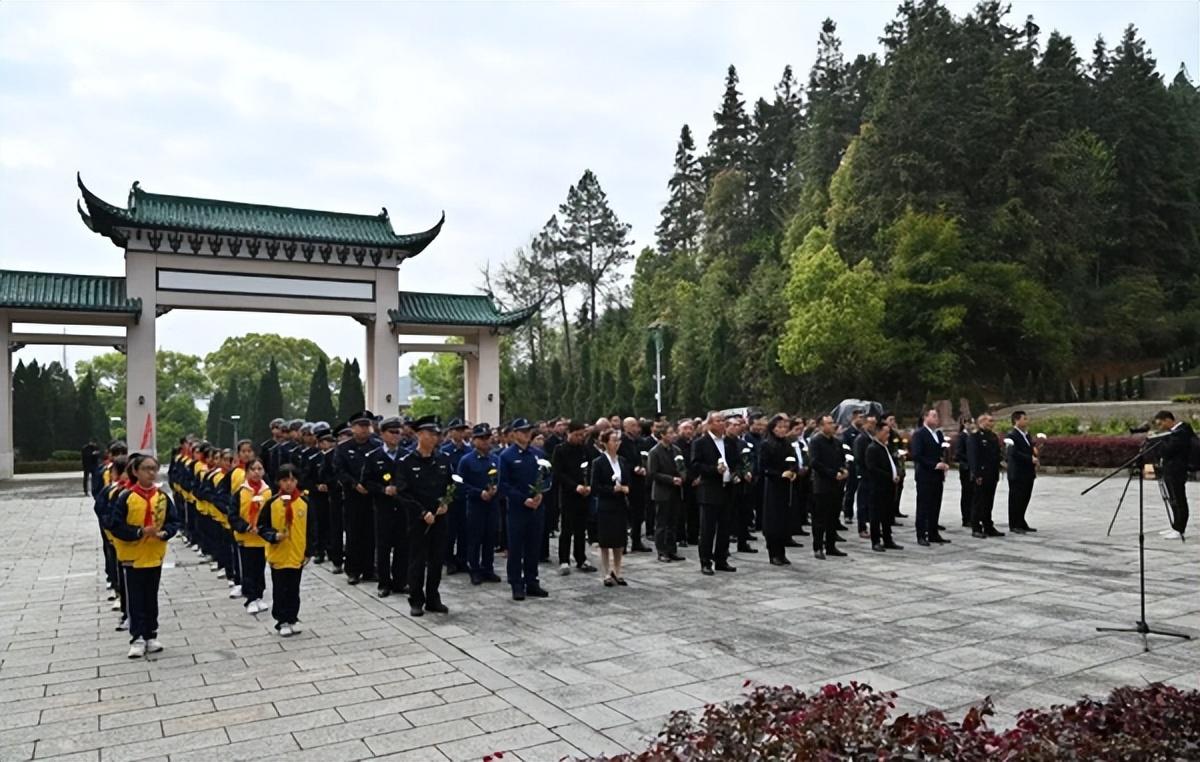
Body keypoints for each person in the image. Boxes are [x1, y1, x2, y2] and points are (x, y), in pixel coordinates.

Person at [104, 453, 180, 658]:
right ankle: (137, 637)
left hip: (154, 554)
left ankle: (151, 634)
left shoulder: (162, 497)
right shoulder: (126, 497)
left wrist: (166, 533)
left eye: (154, 468)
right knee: (135, 598)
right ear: (135, 472)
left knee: (151, 597)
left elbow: (174, 522)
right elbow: (115, 525)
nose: (151, 472)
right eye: (146, 468)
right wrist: (138, 532)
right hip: (132, 556)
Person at [257, 464, 315, 637]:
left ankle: (293, 617)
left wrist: (309, 551)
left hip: (297, 553)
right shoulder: (272, 503)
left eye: (292, 480)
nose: (289, 484)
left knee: (294, 588)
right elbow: (262, 526)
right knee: (280, 588)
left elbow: (312, 529)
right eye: (284, 480)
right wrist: (273, 536)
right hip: (279, 554)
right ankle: (281, 619)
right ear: (278, 482)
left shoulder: (304, 503)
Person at [498, 418, 552, 601]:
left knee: (533, 546)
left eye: (529, 431)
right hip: (517, 509)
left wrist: (541, 493)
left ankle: (532, 581)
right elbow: (503, 485)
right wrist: (523, 499)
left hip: (536, 508)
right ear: (514, 434)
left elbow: (546, 477)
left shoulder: (537, 454)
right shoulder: (506, 456)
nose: (527, 434)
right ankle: (516, 583)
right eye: (522, 431)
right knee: (516, 547)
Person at [690, 411, 743, 575]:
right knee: (708, 528)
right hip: (710, 489)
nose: (721, 423)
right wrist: (714, 470)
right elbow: (695, 464)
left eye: (723, 420)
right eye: (718, 421)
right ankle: (705, 561)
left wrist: (736, 474)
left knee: (725, 526)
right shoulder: (701, 443)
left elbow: (737, 462)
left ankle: (721, 559)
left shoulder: (729, 442)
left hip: (727, 488)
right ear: (710, 424)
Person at [362, 416, 409, 597]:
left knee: (402, 546)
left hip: (403, 506)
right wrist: (382, 489)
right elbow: (366, 481)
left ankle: (400, 581)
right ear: (382, 434)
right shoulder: (373, 457)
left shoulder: (406, 455)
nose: (396, 436)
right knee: (383, 546)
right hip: (383, 507)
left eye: (398, 432)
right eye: (392, 432)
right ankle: (384, 583)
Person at [334, 410, 378, 585]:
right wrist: (354, 484)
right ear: (352, 428)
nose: (364, 429)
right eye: (361, 426)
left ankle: (369, 569)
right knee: (353, 534)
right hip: (352, 496)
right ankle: (353, 570)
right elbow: (339, 471)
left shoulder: (375, 446)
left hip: (372, 496)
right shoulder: (343, 448)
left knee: (370, 534)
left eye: (367, 425)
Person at [458, 423, 503, 585]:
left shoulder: (495, 459)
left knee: (490, 537)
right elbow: (460, 484)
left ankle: (488, 568)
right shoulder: (467, 460)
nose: (485, 441)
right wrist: (479, 492)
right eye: (481, 438)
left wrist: (496, 489)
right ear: (474, 440)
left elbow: (500, 480)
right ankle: (474, 569)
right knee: (475, 538)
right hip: (475, 504)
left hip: (492, 504)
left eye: (487, 438)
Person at [551, 421, 597, 575]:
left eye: (582, 435)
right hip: (568, 494)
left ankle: (581, 558)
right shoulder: (560, 450)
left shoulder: (585, 450)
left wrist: (589, 485)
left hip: (584, 494)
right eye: (576, 435)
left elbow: (591, 467)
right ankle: (564, 560)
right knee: (566, 529)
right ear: (568, 433)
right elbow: (558, 473)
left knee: (580, 529)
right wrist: (574, 486)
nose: (580, 438)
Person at [229, 457, 271, 614]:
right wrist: (246, 527)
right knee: (248, 569)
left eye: (260, 469)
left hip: (261, 539)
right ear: (246, 472)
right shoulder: (240, 492)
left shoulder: (268, 492)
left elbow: (271, 514)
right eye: (253, 469)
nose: (257, 472)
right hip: (246, 539)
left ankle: (259, 596)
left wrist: (263, 529)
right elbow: (232, 516)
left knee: (260, 569)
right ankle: (251, 598)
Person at [591, 429, 630, 586]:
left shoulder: (623, 461)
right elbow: (595, 487)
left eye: (618, 440)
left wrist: (626, 488)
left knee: (619, 541)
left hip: (620, 504)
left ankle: (618, 570)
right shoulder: (598, 462)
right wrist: (611, 489)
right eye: (613, 440)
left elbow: (628, 480)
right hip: (606, 505)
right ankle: (606, 572)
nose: (617, 443)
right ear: (605, 443)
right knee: (606, 541)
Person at [807, 415, 848, 559]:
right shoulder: (816, 441)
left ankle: (831, 546)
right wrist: (832, 474)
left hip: (836, 485)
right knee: (820, 518)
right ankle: (818, 547)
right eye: (829, 423)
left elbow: (842, 459)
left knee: (833, 517)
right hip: (822, 485)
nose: (833, 425)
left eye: (833, 423)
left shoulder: (836, 442)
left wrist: (843, 470)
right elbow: (814, 462)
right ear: (820, 426)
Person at [759, 414, 798, 565]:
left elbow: (793, 460)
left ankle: (782, 552)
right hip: (773, 485)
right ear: (773, 428)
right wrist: (780, 474)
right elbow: (764, 467)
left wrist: (793, 471)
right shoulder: (766, 444)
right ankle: (773, 552)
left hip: (786, 485)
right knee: (773, 520)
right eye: (779, 427)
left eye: (784, 427)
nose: (782, 430)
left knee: (784, 520)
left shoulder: (787, 443)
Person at [647, 423, 686, 563]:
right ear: (662, 435)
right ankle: (661, 551)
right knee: (662, 523)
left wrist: (682, 476)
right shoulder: (655, 451)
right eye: (669, 433)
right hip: (662, 491)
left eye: (673, 432)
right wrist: (671, 479)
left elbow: (681, 467)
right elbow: (653, 473)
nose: (673, 435)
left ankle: (671, 549)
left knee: (673, 522)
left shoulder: (676, 450)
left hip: (676, 491)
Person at [911, 408, 951, 546]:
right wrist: (934, 464)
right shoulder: (919, 434)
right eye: (933, 416)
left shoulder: (938, 434)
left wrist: (944, 462)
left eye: (937, 416)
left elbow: (940, 452)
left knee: (935, 504)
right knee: (923, 505)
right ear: (925, 417)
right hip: (925, 475)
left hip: (937, 476)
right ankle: (921, 534)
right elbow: (917, 455)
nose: (936, 418)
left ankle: (933, 532)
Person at [1153, 410, 1194, 540]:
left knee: (1179, 499)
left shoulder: (1181, 432)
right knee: (1173, 499)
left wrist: (1157, 441)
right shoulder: (1174, 433)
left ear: (1167, 420)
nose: (1160, 427)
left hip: (1177, 470)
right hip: (1169, 470)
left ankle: (1180, 528)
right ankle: (1175, 526)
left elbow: (1168, 450)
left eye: (1161, 424)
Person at [864, 422, 903, 552]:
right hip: (878, 487)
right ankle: (875, 541)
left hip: (888, 487)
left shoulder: (886, 447)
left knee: (887, 514)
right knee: (876, 515)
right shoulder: (872, 448)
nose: (888, 435)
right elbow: (872, 468)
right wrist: (889, 476)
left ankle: (888, 539)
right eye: (886, 432)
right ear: (879, 432)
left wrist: (896, 473)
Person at [439, 419, 471, 575]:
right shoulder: (445, 451)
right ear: (451, 432)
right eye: (456, 430)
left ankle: (462, 559)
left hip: (465, 495)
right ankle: (449, 560)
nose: (459, 433)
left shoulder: (469, 450)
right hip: (450, 496)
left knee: (464, 530)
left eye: (462, 430)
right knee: (450, 531)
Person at [616, 417, 652, 553]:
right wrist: (633, 468)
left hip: (639, 482)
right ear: (625, 427)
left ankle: (636, 540)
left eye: (636, 425)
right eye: (632, 425)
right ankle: (623, 543)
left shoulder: (640, 442)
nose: (636, 428)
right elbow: (621, 460)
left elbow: (643, 457)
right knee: (625, 513)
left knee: (639, 512)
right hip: (627, 480)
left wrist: (643, 467)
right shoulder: (621, 442)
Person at [967, 413, 1004, 539]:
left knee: (989, 501)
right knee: (978, 501)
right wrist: (976, 474)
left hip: (992, 473)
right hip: (981, 474)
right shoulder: (975, 437)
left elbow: (996, 455)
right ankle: (976, 527)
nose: (992, 423)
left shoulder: (993, 436)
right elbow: (973, 457)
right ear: (982, 422)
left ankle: (988, 525)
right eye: (990, 421)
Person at [1005, 410, 1038, 534]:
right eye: (1024, 418)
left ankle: (1021, 521)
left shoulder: (1026, 434)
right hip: (1017, 472)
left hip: (1027, 472)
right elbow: (1012, 453)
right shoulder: (1011, 435)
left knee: (1025, 498)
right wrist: (1029, 458)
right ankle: (1014, 524)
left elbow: (1029, 449)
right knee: (1016, 499)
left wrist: (1034, 454)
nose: (1026, 421)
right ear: (1017, 420)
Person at [852, 414, 877, 538]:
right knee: (862, 502)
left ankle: (872, 526)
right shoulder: (861, 439)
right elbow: (859, 457)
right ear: (865, 424)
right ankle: (862, 527)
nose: (873, 426)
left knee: (871, 502)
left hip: (872, 475)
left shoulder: (873, 437)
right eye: (871, 423)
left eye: (874, 423)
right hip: (864, 474)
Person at [840, 410, 865, 522]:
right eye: (859, 417)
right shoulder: (847, 433)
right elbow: (845, 448)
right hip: (852, 465)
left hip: (862, 465)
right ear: (853, 418)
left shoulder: (863, 433)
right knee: (850, 489)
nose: (862, 419)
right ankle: (847, 513)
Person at [955, 417, 976, 528]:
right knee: (967, 494)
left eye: (973, 423)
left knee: (973, 494)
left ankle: (972, 516)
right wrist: (970, 459)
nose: (972, 425)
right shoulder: (962, 436)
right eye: (969, 423)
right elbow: (958, 453)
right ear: (964, 423)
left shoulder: (972, 436)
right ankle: (966, 518)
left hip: (973, 468)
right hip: (966, 469)